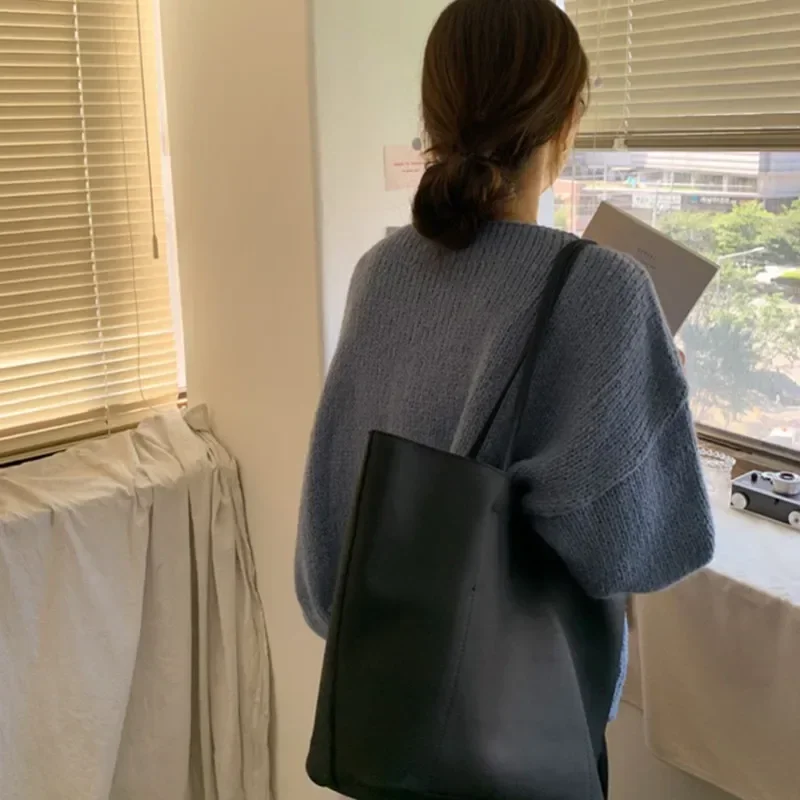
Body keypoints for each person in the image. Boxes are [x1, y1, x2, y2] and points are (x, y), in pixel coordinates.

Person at [296, 0, 715, 795]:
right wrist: (655, 388)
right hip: (526, 737)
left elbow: (327, 555)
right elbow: (638, 550)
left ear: (434, 117)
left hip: (395, 724)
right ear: (566, 122)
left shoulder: (380, 275)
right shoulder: (606, 289)